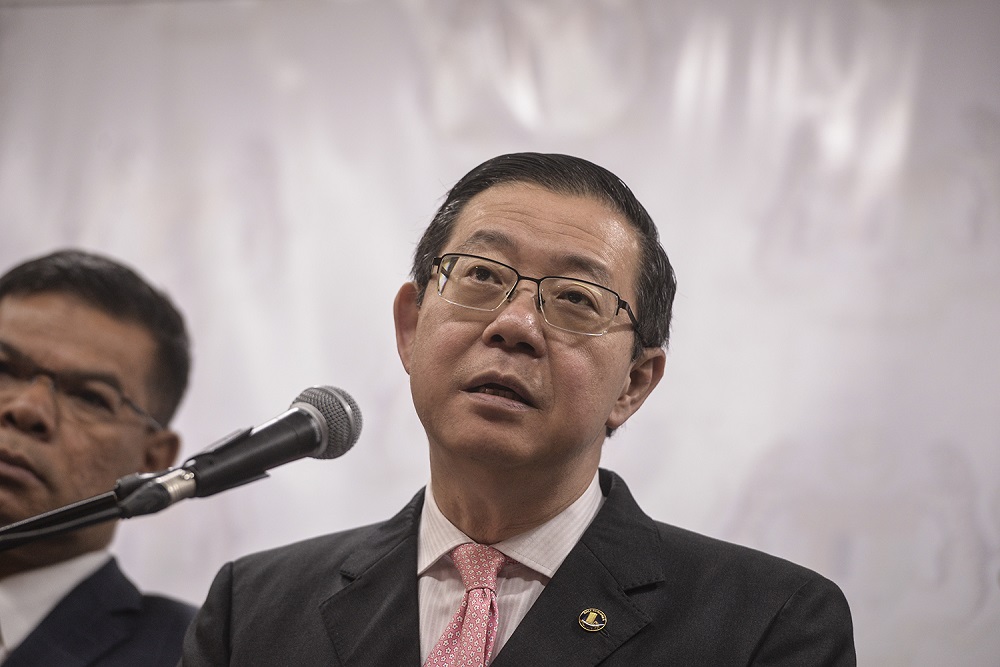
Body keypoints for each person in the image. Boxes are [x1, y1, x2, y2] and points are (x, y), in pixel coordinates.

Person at [182, 153, 855, 665]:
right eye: (480, 276)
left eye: (575, 300)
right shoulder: (256, 610)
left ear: (635, 382)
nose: (516, 325)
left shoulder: (767, 622)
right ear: (411, 327)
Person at [0, 249, 195, 666]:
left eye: (89, 397)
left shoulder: (197, 654)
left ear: (153, 458)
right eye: (3, 369)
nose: (27, 409)